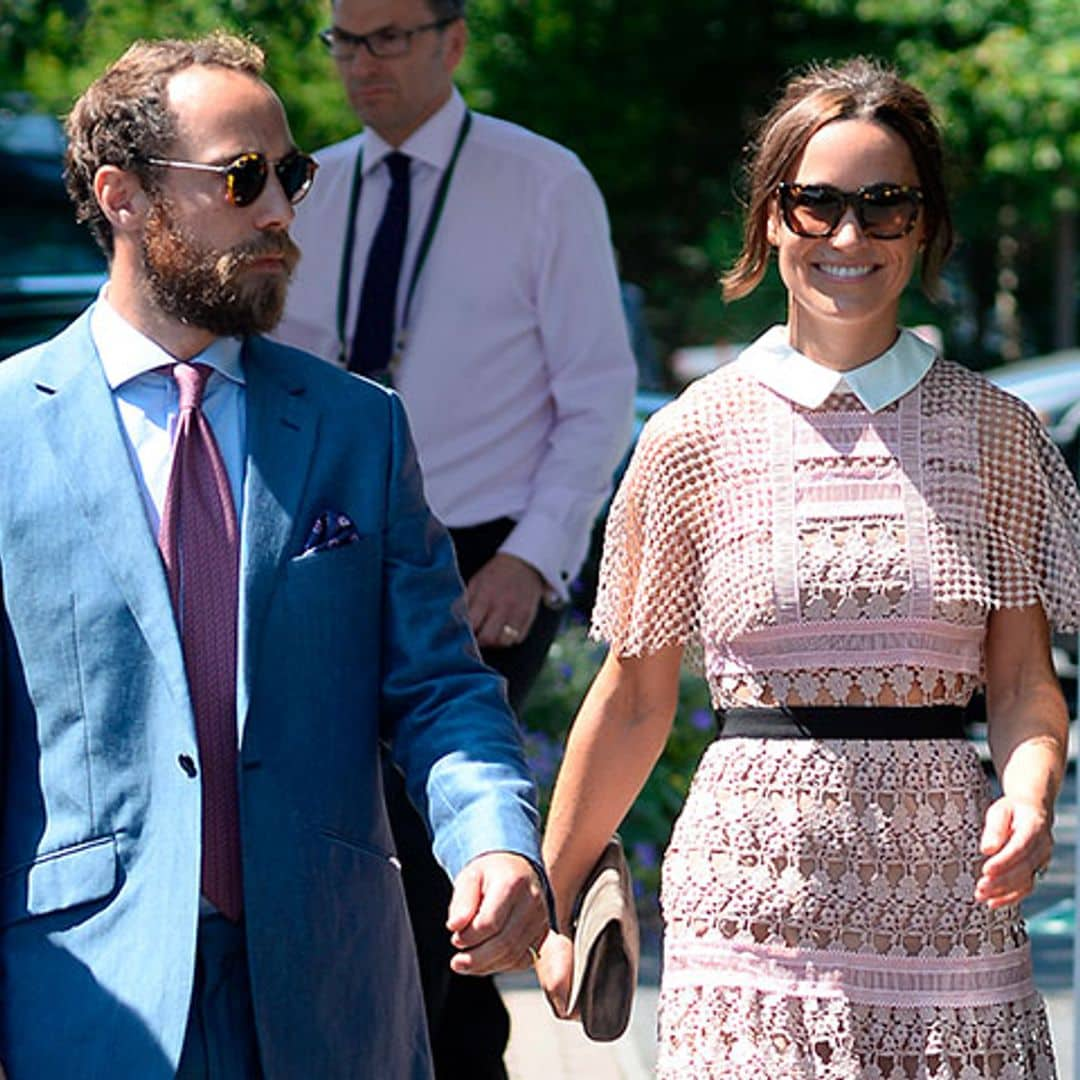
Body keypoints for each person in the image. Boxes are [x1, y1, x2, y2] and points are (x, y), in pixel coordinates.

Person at [0, 31, 549, 1079]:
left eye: (288, 174)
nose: (281, 213)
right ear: (123, 195)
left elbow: (439, 686)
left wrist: (491, 836)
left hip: (332, 993)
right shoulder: (7, 435)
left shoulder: (358, 427)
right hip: (86, 999)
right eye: (242, 178)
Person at [537, 57, 1080, 1077]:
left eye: (885, 207)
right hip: (749, 906)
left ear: (923, 228)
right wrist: (554, 899)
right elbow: (636, 697)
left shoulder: (997, 435)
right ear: (772, 220)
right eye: (817, 204)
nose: (848, 237)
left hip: (948, 910)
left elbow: (1019, 683)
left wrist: (1034, 793)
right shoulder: (690, 438)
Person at [272, 1, 636, 1073]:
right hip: (329, 545)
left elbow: (599, 393)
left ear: (453, 39)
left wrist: (534, 555)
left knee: (432, 830)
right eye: (345, 39)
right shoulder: (301, 185)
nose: (362, 63)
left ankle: (454, 1049)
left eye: (389, 36)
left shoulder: (541, 181)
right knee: (353, 834)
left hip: (486, 556)